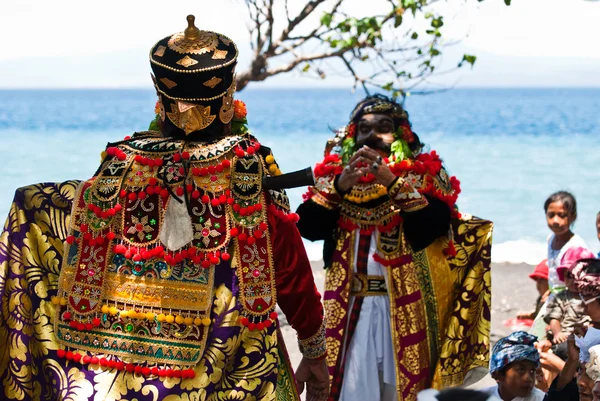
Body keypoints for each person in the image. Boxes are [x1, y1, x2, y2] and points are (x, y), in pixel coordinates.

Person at [0, 16, 329, 401]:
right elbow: (290, 275)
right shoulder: (248, 174)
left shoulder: (117, 170)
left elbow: (55, 215)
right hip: (229, 379)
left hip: (122, 377)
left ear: (160, 98)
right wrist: (314, 352)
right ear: (228, 100)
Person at [296, 94, 493, 401]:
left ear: (403, 134)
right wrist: (338, 189)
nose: (373, 135)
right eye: (364, 128)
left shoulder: (424, 174)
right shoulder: (336, 177)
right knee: (349, 389)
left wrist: (393, 183)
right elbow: (306, 227)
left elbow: (434, 226)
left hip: (404, 307)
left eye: (384, 127)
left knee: (400, 392)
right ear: (352, 136)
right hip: (348, 306)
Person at [544, 191, 588, 294]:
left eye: (562, 215)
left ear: (573, 217)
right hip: (555, 292)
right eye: (551, 215)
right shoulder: (551, 239)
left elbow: (582, 283)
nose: (555, 220)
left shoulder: (576, 247)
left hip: (573, 297)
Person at [483, 331, 546, 401]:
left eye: (532, 371)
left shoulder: (541, 399)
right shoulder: (482, 397)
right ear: (498, 374)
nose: (528, 378)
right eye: (521, 370)